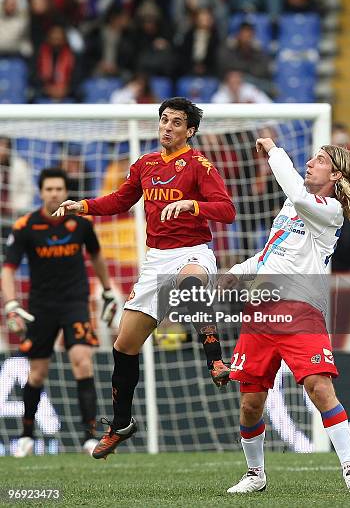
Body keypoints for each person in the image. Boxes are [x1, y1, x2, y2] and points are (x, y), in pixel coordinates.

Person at [54, 97, 236, 459]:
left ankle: (215, 358)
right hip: (156, 261)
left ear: (190, 131)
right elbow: (121, 200)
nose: (167, 127)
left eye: (176, 123)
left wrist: (192, 204)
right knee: (124, 346)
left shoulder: (200, 165)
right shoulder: (145, 165)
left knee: (191, 283)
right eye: (164, 120)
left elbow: (228, 210)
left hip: (192, 252)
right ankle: (121, 424)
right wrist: (83, 206)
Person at [220, 137, 350, 493]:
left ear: (335, 174)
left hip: (301, 310)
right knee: (250, 402)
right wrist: (239, 269)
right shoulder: (291, 206)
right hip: (261, 309)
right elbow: (271, 252)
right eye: (310, 159)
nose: (309, 164)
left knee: (319, 388)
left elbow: (300, 195)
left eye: (318, 161)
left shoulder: (329, 211)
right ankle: (255, 474)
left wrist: (275, 151)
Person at [1, 168, 119, 457]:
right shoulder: (26, 226)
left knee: (82, 362)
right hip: (40, 307)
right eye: (49, 189)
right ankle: (26, 436)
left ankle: (89, 437)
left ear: (66, 192)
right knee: (37, 373)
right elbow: (8, 269)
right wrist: (11, 304)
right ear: (41, 192)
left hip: (75, 303)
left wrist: (106, 290)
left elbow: (97, 256)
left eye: (59, 189)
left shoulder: (80, 224)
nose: (54, 193)